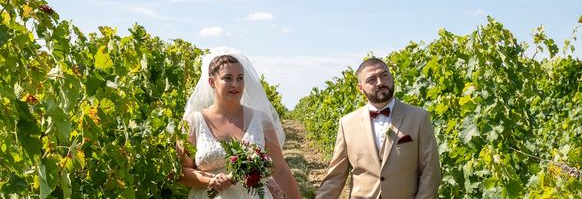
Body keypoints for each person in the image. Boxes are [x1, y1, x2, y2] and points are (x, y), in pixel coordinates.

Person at [178, 47, 301, 199]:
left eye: (240, 78)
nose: (235, 84)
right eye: (227, 78)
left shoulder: (261, 120)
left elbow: (280, 169)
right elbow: (183, 171)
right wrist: (210, 181)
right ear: (212, 82)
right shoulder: (194, 121)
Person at [316, 57, 441, 199]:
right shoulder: (347, 124)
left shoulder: (419, 117)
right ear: (360, 88)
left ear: (392, 78)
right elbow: (335, 176)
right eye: (371, 80)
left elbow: (430, 171)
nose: (380, 82)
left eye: (384, 75)